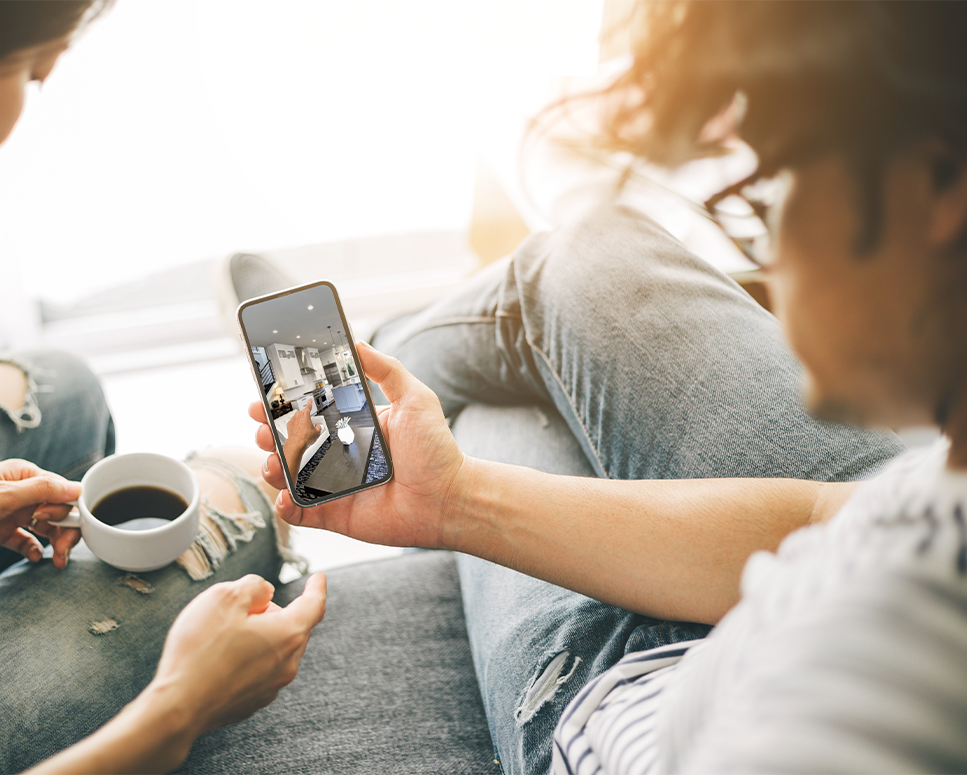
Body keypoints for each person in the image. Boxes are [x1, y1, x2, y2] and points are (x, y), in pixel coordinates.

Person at [236, 1, 967, 772]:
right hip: (775, 606)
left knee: (502, 403)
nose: (774, 238)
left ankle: (384, 363)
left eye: (775, 179)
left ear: (933, 189)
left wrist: (454, 504)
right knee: (590, 251)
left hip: (614, 719)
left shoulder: (831, 709)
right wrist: (454, 499)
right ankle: (391, 357)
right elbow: (823, 521)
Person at [0, 3, 325, 773]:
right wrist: (177, 710)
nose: (33, 95)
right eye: (35, 69)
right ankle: (380, 374)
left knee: (61, 385)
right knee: (239, 487)